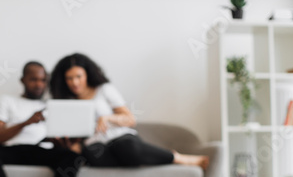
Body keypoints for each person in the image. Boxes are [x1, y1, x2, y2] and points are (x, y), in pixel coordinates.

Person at [49, 53, 209, 169]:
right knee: (90, 154)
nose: (74, 82)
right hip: (95, 145)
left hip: (119, 137)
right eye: (69, 78)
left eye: (78, 76)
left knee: (126, 149)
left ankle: (177, 157)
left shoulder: (104, 90)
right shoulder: (66, 102)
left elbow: (130, 119)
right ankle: (141, 158)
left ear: (87, 74)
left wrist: (107, 118)